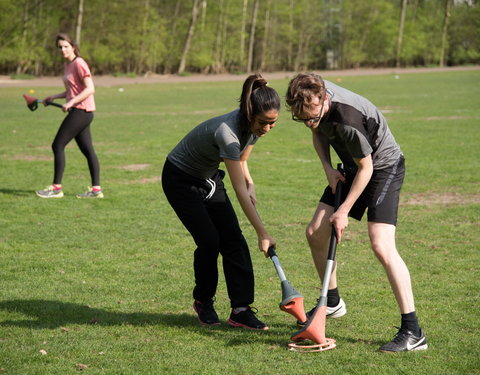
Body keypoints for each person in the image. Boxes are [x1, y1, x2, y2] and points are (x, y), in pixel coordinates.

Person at [285, 73, 427, 352]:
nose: (308, 122)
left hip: (381, 168)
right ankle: (333, 302)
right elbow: (317, 132)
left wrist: (343, 211)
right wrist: (328, 169)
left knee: (381, 245)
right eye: (302, 118)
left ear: (323, 98)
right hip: (351, 166)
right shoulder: (310, 100)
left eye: (312, 114)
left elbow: (368, 168)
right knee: (315, 232)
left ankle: (413, 331)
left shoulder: (346, 120)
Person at [162, 74, 279, 330]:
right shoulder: (227, 132)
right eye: (264, 122)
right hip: (180, 179)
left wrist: (251, 182)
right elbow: (237, 190)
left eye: (273, 123)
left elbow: (243, 161)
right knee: (209, 240)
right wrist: (263, 233)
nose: (267, 128)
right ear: (249, 114)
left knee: (233, 240)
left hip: (208, 178)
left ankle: (241, 310)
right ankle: (203, 300)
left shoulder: (255, 127)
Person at [36, 33, 103, 199]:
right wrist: (54, 97)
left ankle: (56, 188)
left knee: (57, 145)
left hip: (82, 111)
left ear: (73, 47)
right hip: (79, 111)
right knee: (88, 151)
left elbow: (90, 89)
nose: (63, 49)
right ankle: (96, 190)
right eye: (60, 47)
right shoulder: (68, 65)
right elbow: (72, 90)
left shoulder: (79, 63)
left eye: (66, 46)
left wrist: (71, 103)